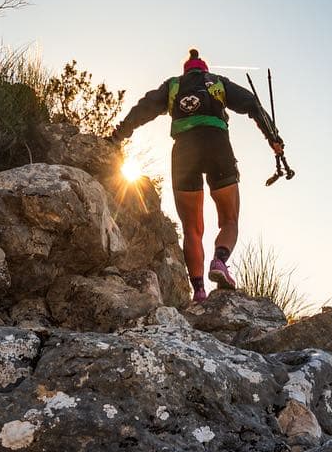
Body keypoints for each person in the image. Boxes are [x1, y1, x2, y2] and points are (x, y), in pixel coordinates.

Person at [109, 49, 284, 302]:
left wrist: (118, 135)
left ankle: (199, 291)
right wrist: (273, 137)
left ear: (186, 71)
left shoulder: (173, 86)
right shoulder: (217, 82)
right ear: (204, 69)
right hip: (217, 145)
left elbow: (143, 109)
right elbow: (252, 104)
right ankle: (220, 262)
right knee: (229, 220)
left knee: (192, 228)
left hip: (184, 150)